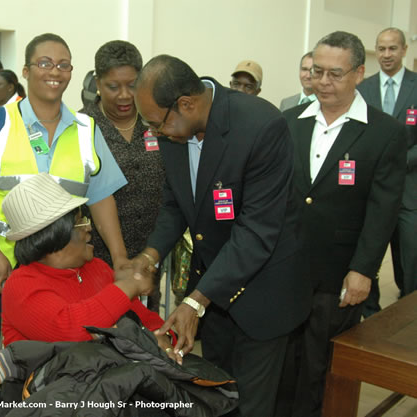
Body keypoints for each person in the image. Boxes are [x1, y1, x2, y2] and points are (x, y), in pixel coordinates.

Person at [131, 55, 311, 417]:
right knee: (217, 395)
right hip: (214, 290)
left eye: (155, 123)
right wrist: (149, 256)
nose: (153, 133)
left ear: (186, 104)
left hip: (264, 292)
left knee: (253, 406)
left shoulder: (261, 126)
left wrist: (195, 302)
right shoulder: (172, 130)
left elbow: (256, 232)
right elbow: (175, 204)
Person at [0, 33, 130, 358]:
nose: (54, 71)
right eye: (44, 63)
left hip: (61, 274)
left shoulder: (86, 129)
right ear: (25, 71)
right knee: (1, 361)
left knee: (62, 359)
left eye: (63, 65)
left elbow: (101, 197)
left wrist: (120, 257)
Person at [283, 31, 407, 417]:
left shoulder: (385, 132)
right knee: (283, 362)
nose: (323, 82)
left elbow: (382, 209)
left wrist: (362, 270)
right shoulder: (288, 123)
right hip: (285, 267)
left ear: (358, 73)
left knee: (322, 365)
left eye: (335, 74)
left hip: (338, 273)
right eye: (317, 72)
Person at [0, 173, 177, 353]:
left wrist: (163, 337)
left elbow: (145, 319)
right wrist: (129, 285)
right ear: (55, 235)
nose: (89, 227)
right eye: (80, 222)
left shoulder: (97, 268)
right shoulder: (21, 286)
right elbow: (72, 331)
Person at [79, 40, 165, 311]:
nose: (125, 95)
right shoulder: (82, 126)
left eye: (132, 84)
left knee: (146, 330)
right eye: (113, 87)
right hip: (95, 258)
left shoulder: (158, 121)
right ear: (97, 82)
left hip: (150, 252)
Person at [358, 27, 417, 318]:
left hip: (409, 188)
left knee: (410, 256)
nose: (386, 54)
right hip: (373, 187)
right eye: (381, 49)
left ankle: (409, 309)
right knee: (369, 252)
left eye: (392, 48)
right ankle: (371, 312)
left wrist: (399, 161)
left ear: (404, 50)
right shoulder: (365, 89)